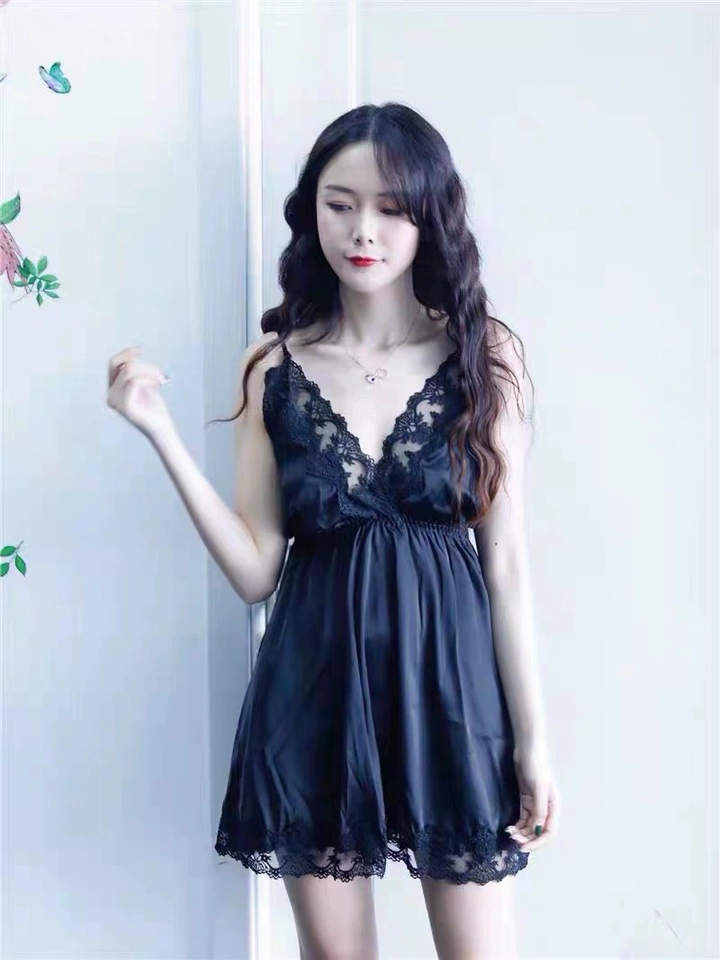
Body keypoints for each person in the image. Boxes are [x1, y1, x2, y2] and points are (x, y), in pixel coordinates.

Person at [106, 102, 561, 960]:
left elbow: (506, 568)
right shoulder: (274, 370)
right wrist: (161, 434)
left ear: (430, 217)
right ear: (311, 209)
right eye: (340, 203)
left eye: (392, 208)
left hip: (454, 700)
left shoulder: (484, 359)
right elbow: (255, 571)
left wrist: (533, 741)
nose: (363, 230)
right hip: (315, 698)